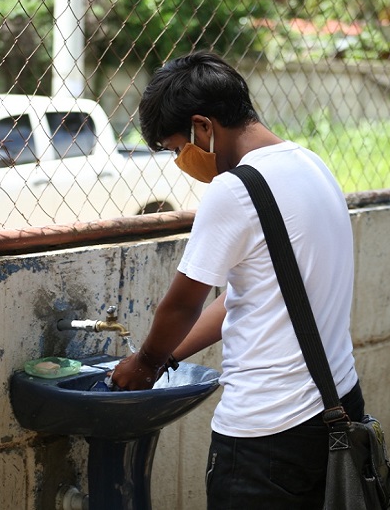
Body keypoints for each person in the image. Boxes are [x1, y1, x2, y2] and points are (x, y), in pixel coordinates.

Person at [110, 51, 363, 509]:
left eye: (176, 148)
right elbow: (250, 294)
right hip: (336, 403)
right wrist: (169, 358)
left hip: (267, 432)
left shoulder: (236, 188)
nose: (181, 161)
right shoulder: (310, 164)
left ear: (202, 127)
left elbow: (184, 303)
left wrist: (146, 362)